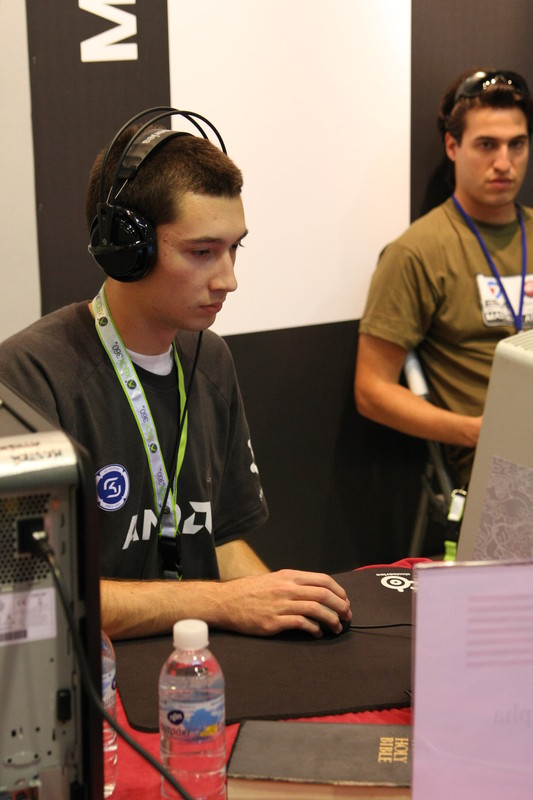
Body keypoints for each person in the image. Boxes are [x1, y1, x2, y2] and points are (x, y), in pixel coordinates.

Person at [0, 109, 351, 640]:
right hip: (100, 675)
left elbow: (219, 539)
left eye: (234, 248)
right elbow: (37, 595)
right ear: (126, 250)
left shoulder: (211, 359)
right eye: (202, 252)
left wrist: (287, 607)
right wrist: (222, 602)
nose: (228, 279)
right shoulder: (29, 376)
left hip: (199, 664)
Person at [355, 68, 533, 488]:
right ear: (452, 146)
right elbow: (372, 391)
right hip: (501, 467)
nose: (504, 163)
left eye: (517, 144)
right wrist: (478, 431)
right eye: (487, 145)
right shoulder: (416, 252)